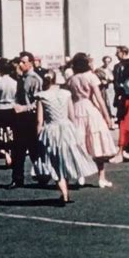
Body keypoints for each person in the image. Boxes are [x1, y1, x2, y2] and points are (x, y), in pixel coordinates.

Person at [34, 71, 97, 204]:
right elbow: (72, 115)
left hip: (52, 129)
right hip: (66, 128)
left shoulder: (42, 96)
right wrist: (76, 131)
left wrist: (38, 135)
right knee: (66, 158)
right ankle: (66, 192)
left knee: (55, 161)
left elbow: (39, 120)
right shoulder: (65, 93)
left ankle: (64, 192)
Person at [67, 53, 116, 188]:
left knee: (80, 143)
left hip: (76, 109)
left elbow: (69, 99)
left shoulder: (71, 79)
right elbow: (99, 99)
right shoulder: (91, 77)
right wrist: (107, 116)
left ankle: (80, 175)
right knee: (97, 143)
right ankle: (101, 178)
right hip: (89, 109)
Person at [8, 51, 42, 189]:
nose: (21, 64)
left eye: (23, 62)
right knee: (18, 150)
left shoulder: (35, 79)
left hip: (30, 117)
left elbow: (38, 101)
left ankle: (41, 174)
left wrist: (24, 108)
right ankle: (17, 178)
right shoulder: (21, 78)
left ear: (31, 63)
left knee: (34, 149)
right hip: (20, 118)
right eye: (20, 62)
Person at [95, 55, 116, 120]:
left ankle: (112, 116)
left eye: (108, 61)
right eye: (105, 61)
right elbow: (98, 78)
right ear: (103, 61)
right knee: (106, 101)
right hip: (104, 88)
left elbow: (113, 78)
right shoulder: (99, 70)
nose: (107, 63)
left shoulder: (110, 70)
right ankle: (107, 117)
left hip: (110, 88)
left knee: (111, 101)